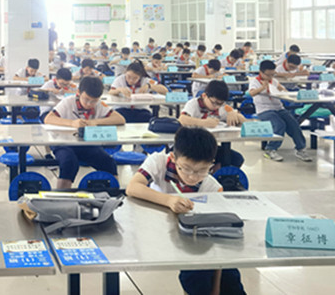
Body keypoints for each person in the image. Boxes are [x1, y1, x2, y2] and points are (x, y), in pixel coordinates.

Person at [126, 127, 244, 295]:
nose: (192, 177)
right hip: (155, 232)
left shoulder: (212, 187)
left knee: (226, 275)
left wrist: (216, 288)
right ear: (173, 158)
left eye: (202, 170)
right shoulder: (159, 162)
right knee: (197, 276)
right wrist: (169, 200)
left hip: (193, 239)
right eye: (186, 168)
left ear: (211, 164)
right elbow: (132, 187)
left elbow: (219, 244)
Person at [43, 76, 124, 189]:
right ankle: (62, 194)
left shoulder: (99, 104)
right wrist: (72, 123)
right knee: (69, 162)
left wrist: (95, 122)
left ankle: (114, 192)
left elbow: (120, 119)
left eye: (94, 101)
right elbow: (48, 119)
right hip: (63, 143)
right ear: (78, 92)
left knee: (108, 162)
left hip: (86, 143)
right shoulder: (68, 102)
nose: (89, 104)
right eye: (86, 99)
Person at [248, 60, 313, 162]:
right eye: (268, 75)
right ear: (261, 72)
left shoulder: (273, 81)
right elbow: (251, 93)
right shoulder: (255, 82)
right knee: (279, 124)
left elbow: (282, 89)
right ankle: (270, 149)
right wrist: (262, 87)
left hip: (279, 108)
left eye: (272, 74)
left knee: (294, 124)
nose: (270, 77)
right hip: (264, 110)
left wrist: (282, 90)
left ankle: (301, 149)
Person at [179, 80, 247, 168]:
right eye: (214, 102)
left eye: (220, 103)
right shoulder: (193, 104)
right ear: (204, 96)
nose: (216, 106)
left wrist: (233, 113)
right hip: (192, 145)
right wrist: (203, 122)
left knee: (237, 159)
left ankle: (217, 172)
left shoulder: (222, 107)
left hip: (210, 145)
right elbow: (182, 119)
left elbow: (244, 121)